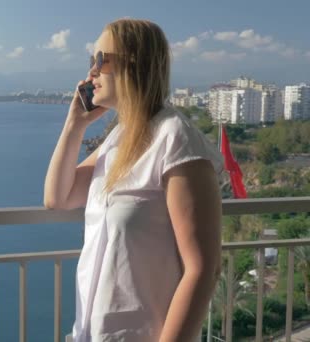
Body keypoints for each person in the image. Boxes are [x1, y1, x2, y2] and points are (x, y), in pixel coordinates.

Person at [43, 18, 224, 342]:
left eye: (101, 60)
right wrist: (74, 125)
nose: (91, 72)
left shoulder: (177, 141)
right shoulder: (119, 140)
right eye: (91, 61)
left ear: (133, 64)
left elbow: (203, 269)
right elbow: (57, 198)